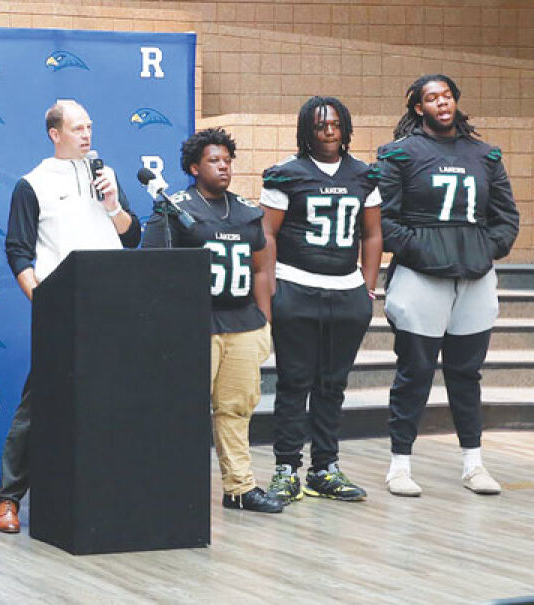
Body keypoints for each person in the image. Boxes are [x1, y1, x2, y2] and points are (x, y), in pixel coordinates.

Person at [0, 100, 140, 533]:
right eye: (77, 128)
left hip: (113, 306)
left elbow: (132, 237)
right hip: (62, 308)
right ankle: (8, 501)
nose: (87, 135)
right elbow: (18, 249)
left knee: (113, 402)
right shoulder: (32, 183)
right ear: (55, 134)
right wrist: (42, 300)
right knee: (37, 406)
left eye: (90, 127)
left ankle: (110, 493)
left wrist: (112, 203)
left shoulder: (103, 175)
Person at [376, 74, 519, 497]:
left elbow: (506, 217)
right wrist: (426, 251)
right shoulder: (398, 154)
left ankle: (473, 464)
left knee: (466, 374)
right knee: (414, 372)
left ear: (456, 102)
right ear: (418, 108)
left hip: (473, 279)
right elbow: (382, 219)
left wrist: (479, 249)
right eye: (432, 98)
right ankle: (399, 465)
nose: (442, 103)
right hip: (421, 278)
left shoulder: (485, 154)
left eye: (447, 96)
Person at [144, 128, 283, 513]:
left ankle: (239, 488)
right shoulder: (174, 208)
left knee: (236, 408)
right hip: (194, 326)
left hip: (242, 323)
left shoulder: (246, 210)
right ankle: (171, 487)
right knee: (182, 408)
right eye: (213, 160)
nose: (223, 167)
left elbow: (260, 271)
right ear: (193, 166)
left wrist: (264, 322)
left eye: (227, 161)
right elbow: (152, 269)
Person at [261, 97, 381, 504]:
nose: (328, 132)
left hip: (346, 292)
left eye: (334, 125)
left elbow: (372, 234)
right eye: (319, 126)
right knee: (294, 382)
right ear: (305, 132)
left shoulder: (364, 175)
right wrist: (273, 287)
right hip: (295, 286)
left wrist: (366, 287)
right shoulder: (286, 175)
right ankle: (286, 467)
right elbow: (268, 235)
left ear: (346, 129)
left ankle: (324, 468)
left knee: (333, 384)